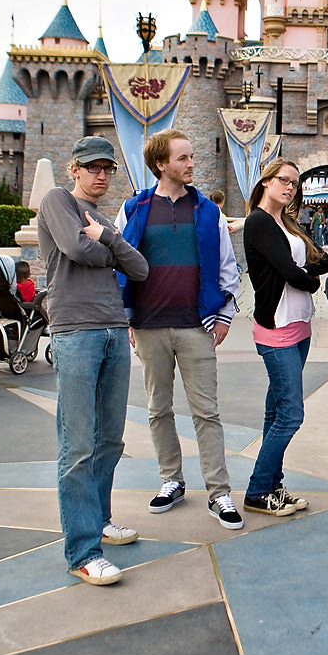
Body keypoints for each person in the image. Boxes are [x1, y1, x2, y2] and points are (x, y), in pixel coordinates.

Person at [115, 129, 244, 529]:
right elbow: (118, 261)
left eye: (191, 157)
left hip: (195, 325)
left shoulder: (207, 211)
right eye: (183, 158)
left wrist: (224, 316)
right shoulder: (134, 208)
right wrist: (127, 316)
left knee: (207, 411)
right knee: (158, 409)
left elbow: (227, 266)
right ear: (161, 164)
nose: (191, 164)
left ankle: (219, 492)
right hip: (149, 325)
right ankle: (171, 479)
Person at [36, 137, 149, 585]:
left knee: (110, 440)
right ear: (74, 169)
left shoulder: (102, 219)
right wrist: (109, 249)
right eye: (93, 167)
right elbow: (79, 250)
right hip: (75, 330)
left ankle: (99, 518)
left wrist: (107, 238)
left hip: (112, 330)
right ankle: (83, 550)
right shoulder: (57, 200)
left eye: (108, 168)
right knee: (78, 444)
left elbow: (139, 268)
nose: (101, 175)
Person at [242, 159, 328, 515]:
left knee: (276, 411)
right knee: (291, 414)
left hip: (300, 327)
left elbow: (323, 262)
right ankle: (257, 490)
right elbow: (298, 277)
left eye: (295, 183)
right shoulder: (259, 222)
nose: (290, 187)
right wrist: (307, 276)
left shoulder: (288, 223)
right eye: (284, 180)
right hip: (276, 328)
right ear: (265, 182)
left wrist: (304, 272)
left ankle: (272, 485)